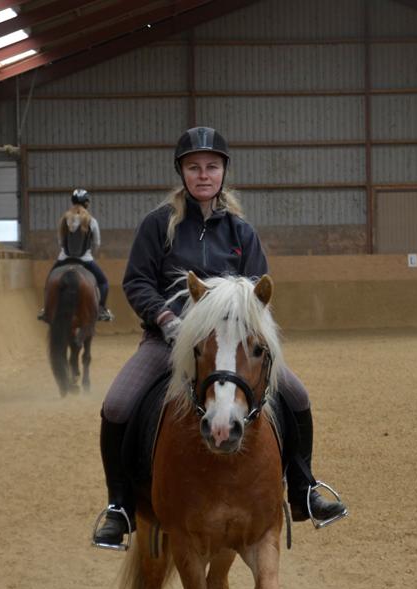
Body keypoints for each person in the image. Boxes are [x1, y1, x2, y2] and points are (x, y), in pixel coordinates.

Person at [91, 126, 347, 549]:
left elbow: (258, 294)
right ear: (182, 173)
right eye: (194, 168)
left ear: (223, 172)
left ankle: (303, 486)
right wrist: (166, 318)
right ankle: (119, 506)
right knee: (117, 405)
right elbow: (137, 281)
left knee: (296, 397)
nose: (203, 175)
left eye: (211, 167)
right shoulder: (159, 226)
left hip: (232, 345)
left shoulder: (241, 233)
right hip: (168, 342)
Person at [39, 188, 114, 322]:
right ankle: (102, 309)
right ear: (86, 204)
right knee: (103, 283)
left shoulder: (64, 220)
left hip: (64, 259)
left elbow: (60, 241)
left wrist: (65, 251)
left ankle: (46, 309)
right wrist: (90, 254)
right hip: (85, 260)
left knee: (49, 280)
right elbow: (96, 243)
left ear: (72, 202)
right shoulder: (92, 221)